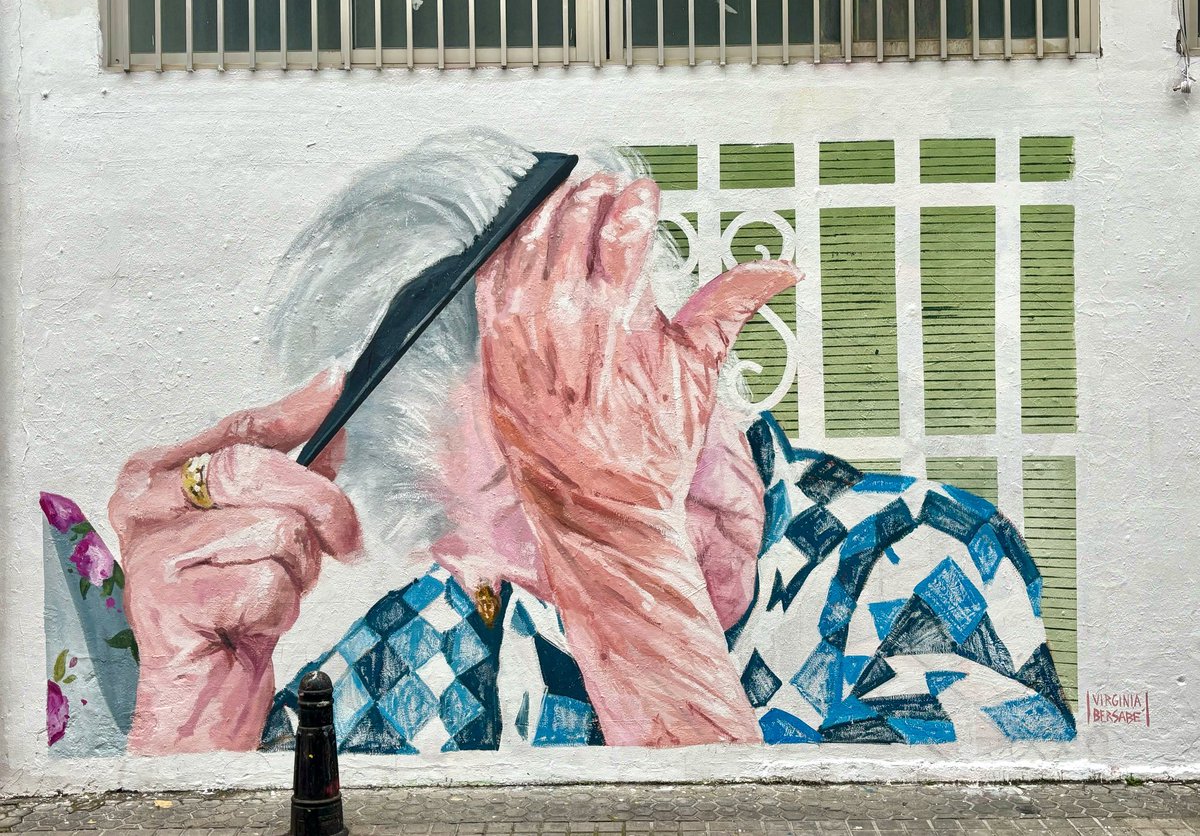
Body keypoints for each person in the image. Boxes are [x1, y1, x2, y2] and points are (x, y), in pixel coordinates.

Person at [107, 135, 1075, 755]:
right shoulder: (435, 661)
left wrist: (613, 544)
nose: (628, 461)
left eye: (623, 382)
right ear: (462, 554)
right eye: (534, 478)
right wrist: (192, 742)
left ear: (694, 324)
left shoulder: (925, 558)